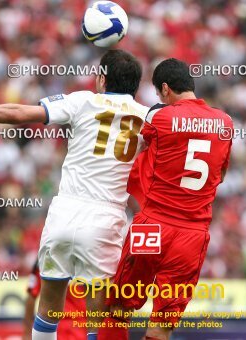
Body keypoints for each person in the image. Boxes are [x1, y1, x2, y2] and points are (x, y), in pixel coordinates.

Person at [0, 49, 148, 340]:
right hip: (107, 219)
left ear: (102, 78)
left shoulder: (82, 101)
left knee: (48, 310)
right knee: (98, 321)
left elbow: (18, 113)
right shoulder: (147, 116)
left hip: (65, 212)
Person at [100, 58, 233, 340]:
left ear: (165, 88)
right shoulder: (225, 123)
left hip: (152, 226)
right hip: (192, 235)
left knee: (118, 308)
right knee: (162, 324)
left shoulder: (159, 117)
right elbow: (220, 174)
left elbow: (134, 143)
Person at [22, 261, 86, 340]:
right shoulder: (45, 258)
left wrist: (27, 333)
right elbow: (32, 295)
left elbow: (31, 295)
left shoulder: (48, 256)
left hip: (76, 327)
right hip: (60, 328)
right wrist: (27, 333)